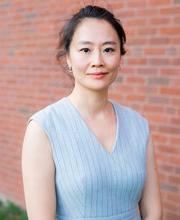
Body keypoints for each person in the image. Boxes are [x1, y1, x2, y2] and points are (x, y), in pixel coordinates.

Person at [21, 5, 162, 220]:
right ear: (68, 58)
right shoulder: (43, 128)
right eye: (85, 50)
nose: (98, 61)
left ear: (120, 58)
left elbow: (154, 213)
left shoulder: (138, 125)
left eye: (108, 49)